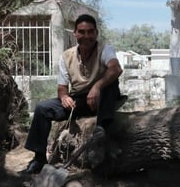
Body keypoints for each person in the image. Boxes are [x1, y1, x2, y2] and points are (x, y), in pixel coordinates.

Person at [24, 13, 123, 174]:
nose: (87, 36)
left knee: (110, 85)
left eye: (90, 32)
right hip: (80, 100)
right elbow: (62, 87)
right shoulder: (66, 56)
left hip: (102, 98)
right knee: (42, 108)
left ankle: (101, 130)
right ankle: (39, 158)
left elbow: (116, 69)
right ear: (75, 34)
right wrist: (64, 97)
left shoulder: (105, 49)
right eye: (82, 32)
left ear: (96, 33)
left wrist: (97, 86)